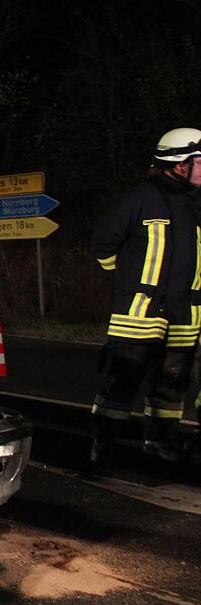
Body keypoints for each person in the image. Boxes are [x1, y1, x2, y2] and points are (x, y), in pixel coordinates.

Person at [90, 128, 201, 465]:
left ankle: (161, 442)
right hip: (139, 314)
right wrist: (131, 284)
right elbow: (103, 248)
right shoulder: (138, 199)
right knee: (120, 385)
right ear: (180, 164)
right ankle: (104, 447)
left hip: (186, 315)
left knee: (171, 388)